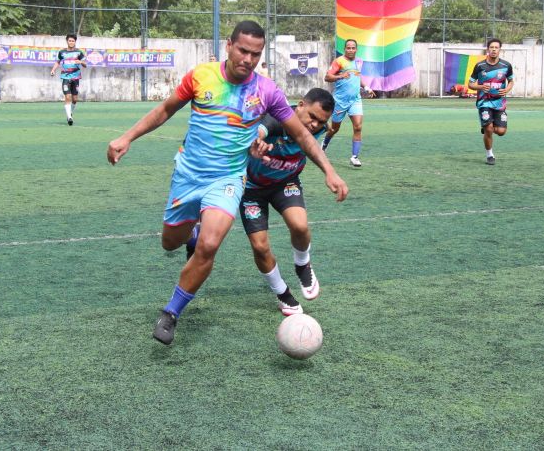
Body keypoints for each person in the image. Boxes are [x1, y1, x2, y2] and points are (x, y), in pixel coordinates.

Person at [106, 20, 348, 345]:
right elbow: (165, 110)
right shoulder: (201, 76)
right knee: (170, 243)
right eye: (243, 50)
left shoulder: (267, 91)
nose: (248, 59)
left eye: (256, 54)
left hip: (229, 179)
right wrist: (127, 137)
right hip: (188, 174)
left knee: (209, 246)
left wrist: (329, 171)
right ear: (229, 46)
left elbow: (302, 134)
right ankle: (190, 230)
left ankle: (171, 312)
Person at [240, 87, 334, 316]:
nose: (314, 125)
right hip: (251, 189)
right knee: (260, 247)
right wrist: (258, 141)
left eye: (320, 122)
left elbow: (316, 144)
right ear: (300, 105)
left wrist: (330, 172)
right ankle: (282, 292)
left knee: (300, 226)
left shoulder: (320, 128)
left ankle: (302, 264)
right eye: (312, 117)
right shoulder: (277, 118)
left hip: (286, 183)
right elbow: (262, 128)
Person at [321, 38, 374, 167]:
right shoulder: (339, 61)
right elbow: (327, 77)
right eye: (348, 48)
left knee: (358, 127)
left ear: (356, 49)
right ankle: (323, 147)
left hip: (355, 100)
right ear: (345, 49)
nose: (350, 50)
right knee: (334, 129)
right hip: (340, 101)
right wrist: (340, 76)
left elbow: (358, 76)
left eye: (353, 48)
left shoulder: (359, 61)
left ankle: (354, 157)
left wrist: (366, 87)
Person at [468, 38, 514, 165]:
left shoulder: (506, 66)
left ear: (500, 49)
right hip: (484, 102)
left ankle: (486, 127)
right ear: (488, 49)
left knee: (501, 132)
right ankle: (489, 155)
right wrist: (481, 87)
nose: (494, 49)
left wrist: (507, 90)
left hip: (500, 103)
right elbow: (470, 84)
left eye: (496, 47)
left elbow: (511, 81)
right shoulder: (480, 66)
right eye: (491, 47)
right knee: (489, 129)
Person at [50, 33, 86, 126]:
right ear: (67, 41)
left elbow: (85, 65)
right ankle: (69, 117)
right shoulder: (62, 52)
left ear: (75, 42)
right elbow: (58, 62)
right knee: (68, 97)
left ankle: (69, 113)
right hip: (65, 77)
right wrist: (53, 70)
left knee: (74, 99)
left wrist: (81, 62)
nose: (71, 42)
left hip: (76, 77)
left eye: (73, 41)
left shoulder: (79, 52)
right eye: (69, 40)